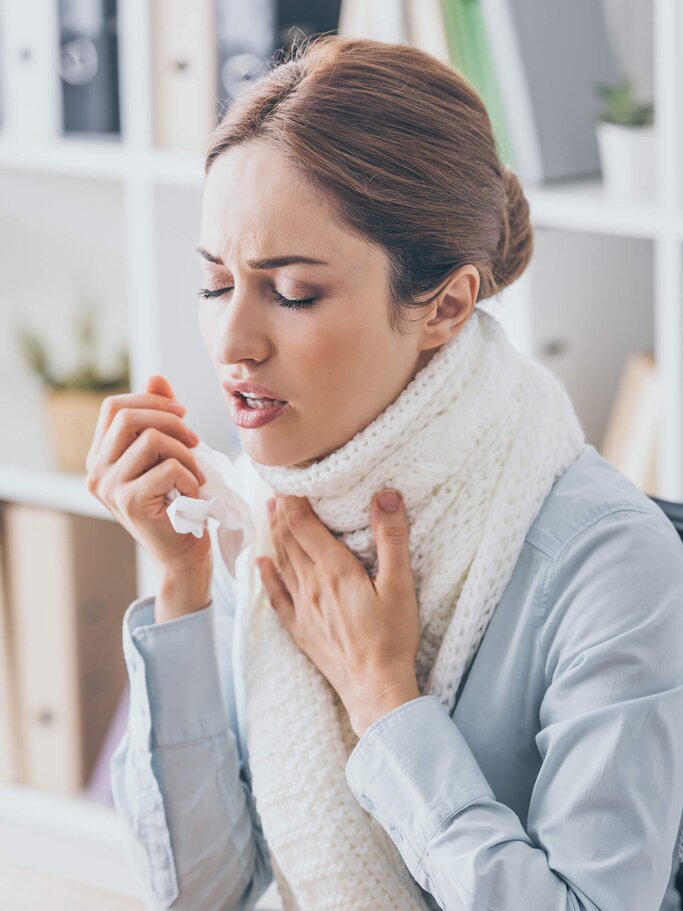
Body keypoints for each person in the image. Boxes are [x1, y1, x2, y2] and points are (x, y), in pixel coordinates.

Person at [86, 34, 683, 911]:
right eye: (216, 285)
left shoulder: (607, 564)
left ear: (444, 304)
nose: (232, 345)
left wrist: (384, 701)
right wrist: (181, 588)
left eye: (291, 293)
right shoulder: (262, 510)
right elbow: (201, 894)